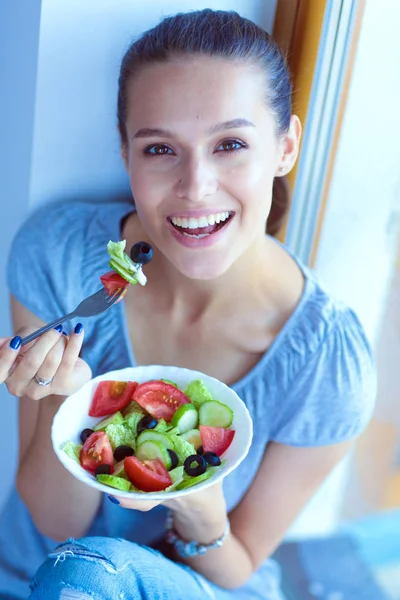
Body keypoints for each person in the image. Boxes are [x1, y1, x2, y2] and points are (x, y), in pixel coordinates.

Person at [0, 9, 376, 600]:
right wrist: (69, 400)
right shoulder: (56, 258)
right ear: (126, 155)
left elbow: (239, 566)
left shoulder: (329, 366)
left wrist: (200, 509)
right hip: (37, 575)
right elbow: (54, 524)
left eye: (230, 144)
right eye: (159, 150)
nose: (196, 186)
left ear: (285, 148)